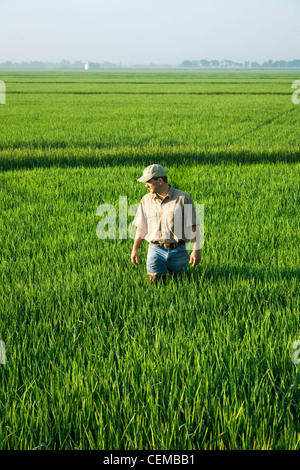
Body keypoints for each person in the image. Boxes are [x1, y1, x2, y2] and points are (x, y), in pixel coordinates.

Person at [131, 164, 201, 284]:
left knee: (180, 287)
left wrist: (196, 250)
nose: (145, 185)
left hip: (179, 251)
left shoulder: (183, 198)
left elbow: (193, 226)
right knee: (154, 287)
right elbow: (141, 228)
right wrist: (135, 249)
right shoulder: (146, 200)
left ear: (160, 181)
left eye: (148, 182)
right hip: (155, 251)